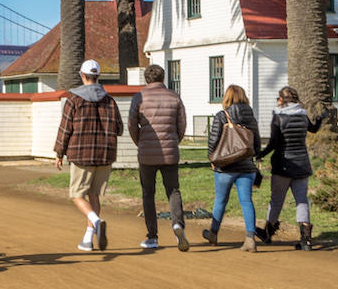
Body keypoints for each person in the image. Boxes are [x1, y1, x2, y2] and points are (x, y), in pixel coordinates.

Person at [53, 60, 124, 252]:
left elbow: (65, 128)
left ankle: (96, 221)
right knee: (94, 196)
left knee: (77, 195)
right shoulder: (110, 100)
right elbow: (119, 129)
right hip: (105, 154)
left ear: (82, 75)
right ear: (98, 76)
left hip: (81, 154)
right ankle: (87, 239)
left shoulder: (73, 99)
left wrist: (59, 152)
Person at [128, 64, 190, 251]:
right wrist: (174, 141)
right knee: (173, 190)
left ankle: (152, 236)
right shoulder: (174, 97)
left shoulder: (139, 97)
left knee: (149, 194)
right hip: (170, 151)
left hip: (147, 152)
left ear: (146, 79)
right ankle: (177, 224)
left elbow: (132, 124)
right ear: (163, 78)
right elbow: (182, 125)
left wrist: (140, 142)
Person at [256, 86, 326, 251]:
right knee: (301, 200)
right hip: (302, 164)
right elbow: (314, 129)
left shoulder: (278, 118)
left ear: (282, 100)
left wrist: (261, 154)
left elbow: (273, 143)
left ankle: (268, 233)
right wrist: (321, 118)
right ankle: (306, 240)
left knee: (277, 200)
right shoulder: (302, 116)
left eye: (278, 99)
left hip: (282, 165)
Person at [204, 84, 262, 252]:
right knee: (246, 201)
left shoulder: (222, 116)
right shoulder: (251, 117)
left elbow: (213, 140)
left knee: (220, 200)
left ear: (227, 98)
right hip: (246, 167)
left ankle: (213, 234)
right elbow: (257, 143)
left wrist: (212, 158)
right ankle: (250, 238)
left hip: (225, 168)